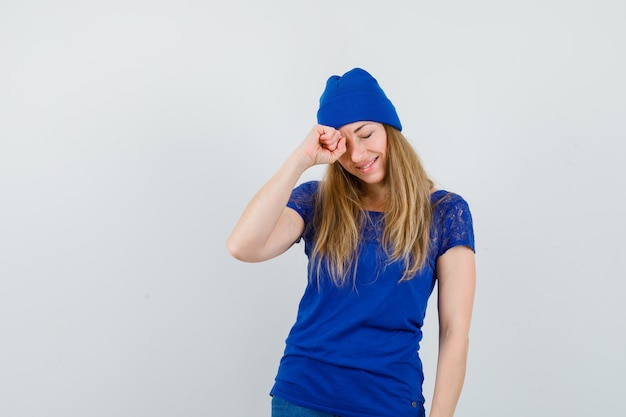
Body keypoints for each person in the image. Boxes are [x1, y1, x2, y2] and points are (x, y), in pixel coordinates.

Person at [226, 68, 476, 417]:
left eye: (366, 134)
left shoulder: (445, 212)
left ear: (391, 129)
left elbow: (454, 332)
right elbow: (243, 246)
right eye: (343, 143)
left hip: (388, 401)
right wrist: (301, 159)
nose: (358, 155)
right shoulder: (317, 201)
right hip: (303, 396)